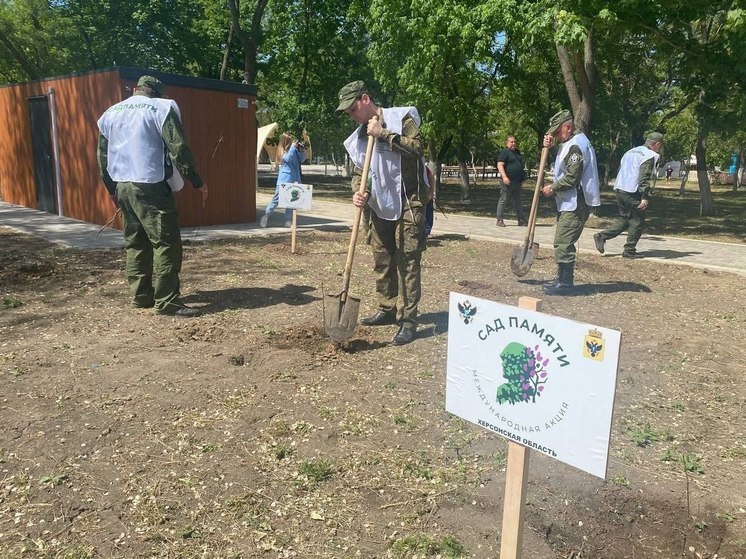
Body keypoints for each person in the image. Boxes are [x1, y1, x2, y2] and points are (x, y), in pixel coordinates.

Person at [97, 75, 207, 317]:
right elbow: (178, 148)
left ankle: (141, 296)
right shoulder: (161, 107)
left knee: (136, 243)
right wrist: (197, 182)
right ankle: (168, 302)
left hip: (123, 185)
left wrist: (111, 189)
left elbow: (103, 158)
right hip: (151, 185)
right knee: (166, 243)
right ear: (158, 93)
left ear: (135, 89)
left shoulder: (110, 113)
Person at [336, 80, 429, 346]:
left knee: (408, 263)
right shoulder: (357, 139)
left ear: (365, 99)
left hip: (408, 203)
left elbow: (418, 148)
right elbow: (358, 173)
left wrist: (384, 134)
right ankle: (387, 308)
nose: (350, 115)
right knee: (382, 259)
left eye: (352, 108)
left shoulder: (403, 117)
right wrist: (358, 191)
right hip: (378, 207)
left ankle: (408, 321)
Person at [541, 109, 600, 295]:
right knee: (563, 240)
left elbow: (572, 178)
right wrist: (548, 148)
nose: (557, 136)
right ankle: (562, 279)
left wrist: (553, 187)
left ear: (568, 126)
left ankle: (565, 284)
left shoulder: (576, 145)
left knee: (563, 241)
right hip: (570, 200)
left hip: (576, 201)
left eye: (558, 132)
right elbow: (562, 166)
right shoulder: (570, 142)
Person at [594, 132, 663, 259]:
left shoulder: (631, 151)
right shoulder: (649, 155)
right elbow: (644, 177)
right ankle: (629, 251)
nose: (659, 148)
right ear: (657, 144)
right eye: (660, 146)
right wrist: (645, 196)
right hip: (632, 191)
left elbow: (621, 168)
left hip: (620, 188)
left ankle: (602, 236)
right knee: (637, 221)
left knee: (626, 218)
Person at [260, 133, 305, 228]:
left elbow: (302, 159)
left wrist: (301, 151)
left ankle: (288, 220)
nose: (294, 143)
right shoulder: (283, 151)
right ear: (287, 142)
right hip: (284, 179)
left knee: (292, 200)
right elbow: (287, 158)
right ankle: (266, 215)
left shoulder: (294, 150)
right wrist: (293, 148)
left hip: (295, 178)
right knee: (277, 199)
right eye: (291, 141)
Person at [495, 135, 527, 227]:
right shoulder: (504, 153)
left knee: (518, 201)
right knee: (503, 200)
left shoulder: (517, 152)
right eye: (511, 142)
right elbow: (500, 165)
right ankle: (499, 219)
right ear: (507, 143)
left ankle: (521, 219)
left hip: (517, 182)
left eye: (514, 142)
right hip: (507, 181)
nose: (513, 144)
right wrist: (504, 177)